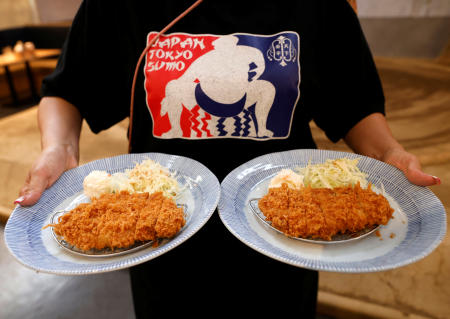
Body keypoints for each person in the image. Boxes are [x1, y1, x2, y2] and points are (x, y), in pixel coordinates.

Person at [16, 0, 440, 318]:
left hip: (284, 242)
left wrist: (389, 153)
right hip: (162, 245)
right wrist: (58, 149)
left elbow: (353, 103)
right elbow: (67, 91)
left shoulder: (320, 1)